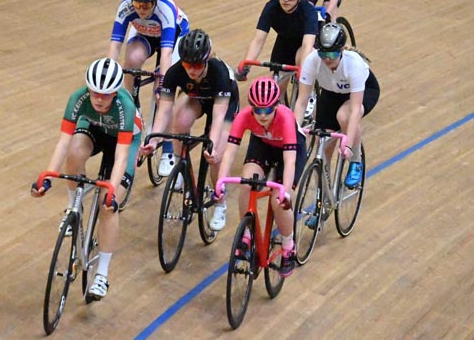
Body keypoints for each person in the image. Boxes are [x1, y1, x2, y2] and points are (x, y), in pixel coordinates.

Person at [31, 58, 141, 301]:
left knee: (107, 206)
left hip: (124, 143)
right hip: (94, 129)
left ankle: (101, 274)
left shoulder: (125, 106)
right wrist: (47, 176)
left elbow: (121, 156)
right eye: (95, 92)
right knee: (74, 151)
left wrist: (112, 190)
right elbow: (63, 142)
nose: (99, 99)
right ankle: (74, 205)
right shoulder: (78, 98)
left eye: (106, 94)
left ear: (115, 92)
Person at [140, 29, 239, 231]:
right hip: (197, 97)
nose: (192, 70)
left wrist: (212, 147)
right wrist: (153, 140)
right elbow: (164, 110)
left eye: (197, 65)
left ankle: (220, 202)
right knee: (181, 120)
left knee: (217, 154)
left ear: (207, 58)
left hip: (223, 104)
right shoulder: (175, 72)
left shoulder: (219, 73)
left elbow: (219, 116)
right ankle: (179, 163)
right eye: (187, 65)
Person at [216, 78, 306, 277]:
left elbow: (290, 161)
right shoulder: (243, 117)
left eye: (267, 111)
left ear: (276, 105)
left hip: (289, 151)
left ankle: (288, 246)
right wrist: (220, 183)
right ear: (251, 107)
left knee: (278, 200)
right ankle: (246, 235)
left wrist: (286, 193)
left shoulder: (285, 117)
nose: (262, 115)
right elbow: (230, 152)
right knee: (246, 183)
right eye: (258, 110)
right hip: (263, 145)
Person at [108, 0, 190, 176]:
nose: (141, 9)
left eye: (146, 6)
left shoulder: (165, 10)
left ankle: (168, 151)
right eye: (137, 5)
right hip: (144, 33)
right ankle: (129, 100)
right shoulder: (126, 7)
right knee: (132, 60)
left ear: (154, 1)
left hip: (174, 37)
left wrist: (163, 83)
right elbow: (115, 45)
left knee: (164, 92)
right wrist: (109, 74)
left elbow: (167, 52)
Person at [293, 23, 380, 188]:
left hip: (363, 91)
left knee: (344, 115)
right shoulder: (312, 61)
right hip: (331, 93)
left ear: (341, 51)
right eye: (323, 53)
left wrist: (347, 144)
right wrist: (294, 133)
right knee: (322, 145)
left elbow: (355, 110)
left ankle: (356, 161)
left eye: (332, 54)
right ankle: (324, 195)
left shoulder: (354, 64)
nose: (327, 59)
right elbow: (302, 101)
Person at [235, 0, 318, 83]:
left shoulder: (309, 11)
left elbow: (307, 45)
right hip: (285, 42)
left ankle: (310, 96)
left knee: (302, 63)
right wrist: (246, 66)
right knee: (275, 88)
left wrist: (303, 72)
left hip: (306, 43)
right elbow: (258, 40)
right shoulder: (271, 7)